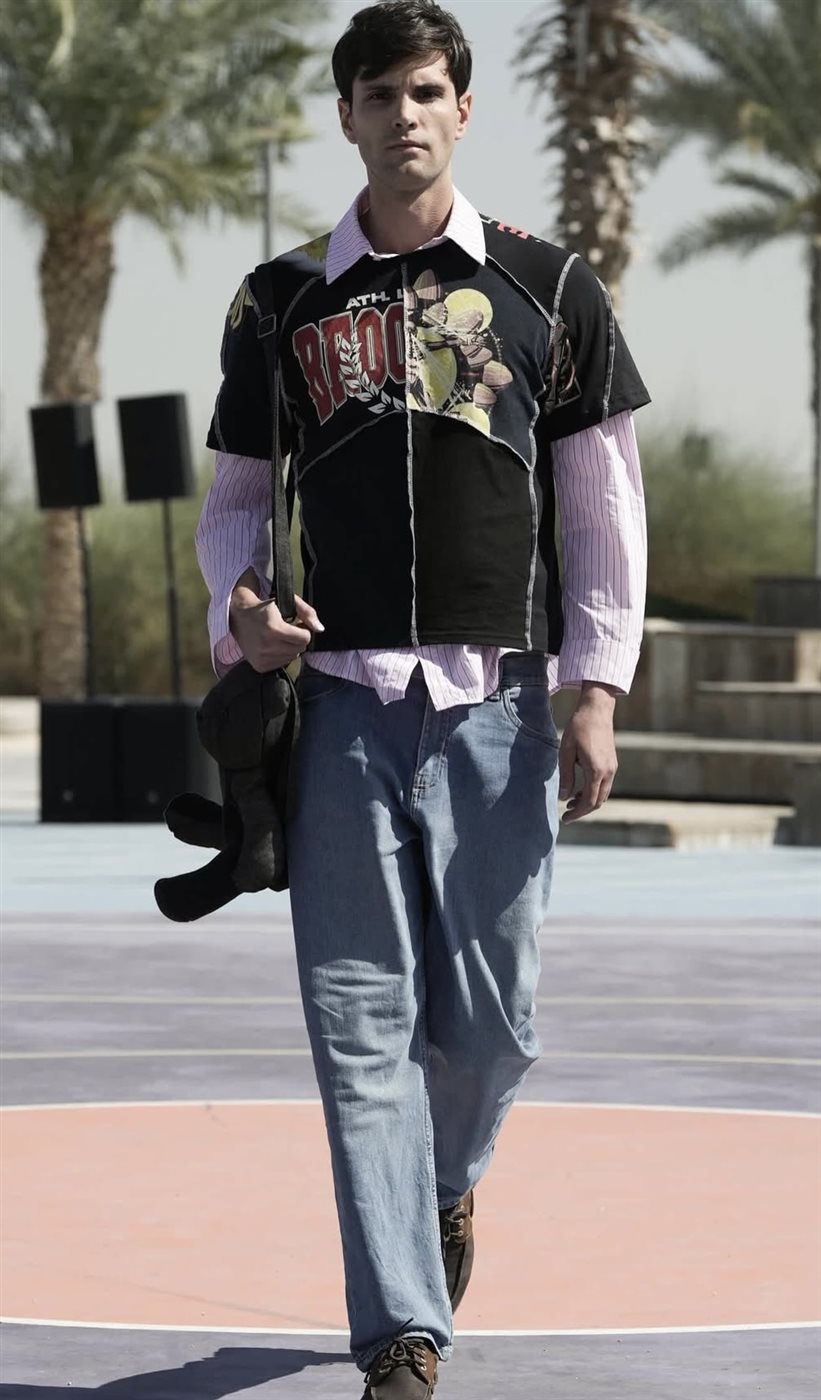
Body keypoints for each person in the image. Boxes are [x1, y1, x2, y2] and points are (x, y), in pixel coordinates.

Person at [195, 2, 649, 1395]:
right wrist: (240, 615)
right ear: (345, 115)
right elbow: (236, 502)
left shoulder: (548, 285)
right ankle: (400, 1332)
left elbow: (603, 500)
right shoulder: (279, 301)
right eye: (379, 92)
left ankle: (444, 1187)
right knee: (359, 1025)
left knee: (493, 1026)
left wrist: (596, 686)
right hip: (338, 708)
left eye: (427, 89)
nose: (404, 113)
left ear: (461, 109)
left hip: (501, 703)